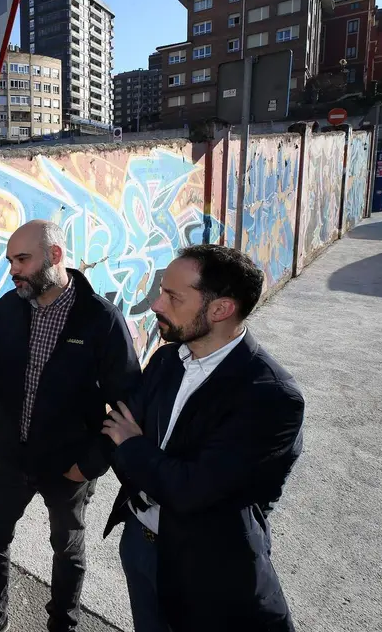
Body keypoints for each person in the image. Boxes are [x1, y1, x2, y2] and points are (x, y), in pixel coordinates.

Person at [0, 220, 142, 632]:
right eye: (10, 260)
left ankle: (63, 624)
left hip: (69, 465)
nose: (14, 270)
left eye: (22, 259)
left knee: (67, 548)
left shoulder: (99, 319)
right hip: (11, 457)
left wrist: (91, 462)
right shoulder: (11, 307)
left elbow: (129, 402)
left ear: (55, 256)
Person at [101, 244, 304, 632]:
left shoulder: (271, 396)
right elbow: (116, 431)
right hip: (139, 543)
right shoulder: (166, 360)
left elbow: (191, 490)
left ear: (220, 309)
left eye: (172, 296)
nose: (157, 304)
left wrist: (134, 446)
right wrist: (136, 450)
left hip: (207, 568)